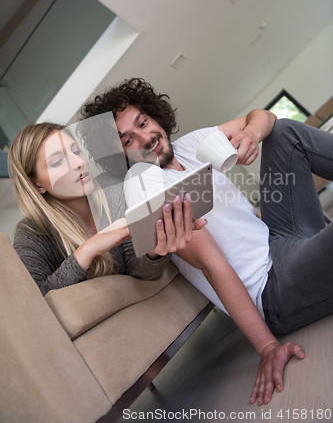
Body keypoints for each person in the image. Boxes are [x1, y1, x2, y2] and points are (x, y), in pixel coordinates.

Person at [79, 78, 332, 406]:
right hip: (273, 289)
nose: (145, 138)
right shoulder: (143, 180)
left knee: (284, 131)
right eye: (129, 140)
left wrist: (251, 134)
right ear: (122, 156)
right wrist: (268, 346)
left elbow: (260, 117)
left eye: (143, 123)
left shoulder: (189, 145)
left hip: (279, 238)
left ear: (155, 116)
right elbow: (212, 264)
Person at [8, 122, 203, 296]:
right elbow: (34, 306)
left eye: (76, 151)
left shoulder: (113, 188)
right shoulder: (32, 234)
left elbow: (140, 272)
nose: (79, 162)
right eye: (58, 162)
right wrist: (87, 250)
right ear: (36, 185)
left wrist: (155, 252)